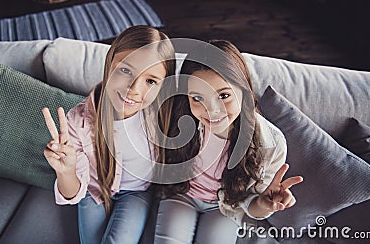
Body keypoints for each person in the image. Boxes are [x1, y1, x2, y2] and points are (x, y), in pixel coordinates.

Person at [154, 40, 303, 244]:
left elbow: (251, 205)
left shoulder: (271, 144)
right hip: (182, 196)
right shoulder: (179, 119)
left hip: (225, 208)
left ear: (244, 90)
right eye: (197, 98)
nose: (212, 110)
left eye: (223, 95)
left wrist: (265, 203)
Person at [42, 25, 176, 244]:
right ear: (109, 63)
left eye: (150, 81)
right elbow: (73, 191)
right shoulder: (78, 121)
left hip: (136, 192)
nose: (134, 88)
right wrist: (65, 171)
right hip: (95, 190)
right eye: (125, 70)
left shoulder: (163, 111)